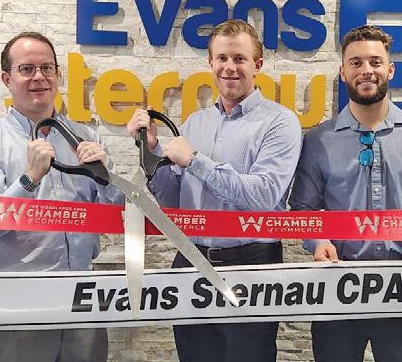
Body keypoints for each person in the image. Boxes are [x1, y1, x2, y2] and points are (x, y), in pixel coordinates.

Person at [125, 19, 302, 362]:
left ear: (258, 65)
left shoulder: (280, 123)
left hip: (252, 264)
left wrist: (196, 161)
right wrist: (151, 150)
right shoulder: (196, 122)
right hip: (191, 261)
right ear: (210, 63)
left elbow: (263, 196)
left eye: (239, 58)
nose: (229, 67)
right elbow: (174, 202)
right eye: (222, 58)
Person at [290, 25, 402, 362]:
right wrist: (318, 241)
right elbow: (303, 208)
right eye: (356, 63)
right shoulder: (318, 140)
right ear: (343, 72)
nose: (366, 70)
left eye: (375, 62)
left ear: (390, 70)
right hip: (338, 287)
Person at [0, 32, 122, 362]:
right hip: (16, 305)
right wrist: (29, 179)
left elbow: (116, 216)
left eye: (47, 68)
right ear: (7, 79)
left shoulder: (87, 139)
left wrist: (107, 178)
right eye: (27, 69)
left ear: (58, 75)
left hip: (82, 300)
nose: (39, 77)